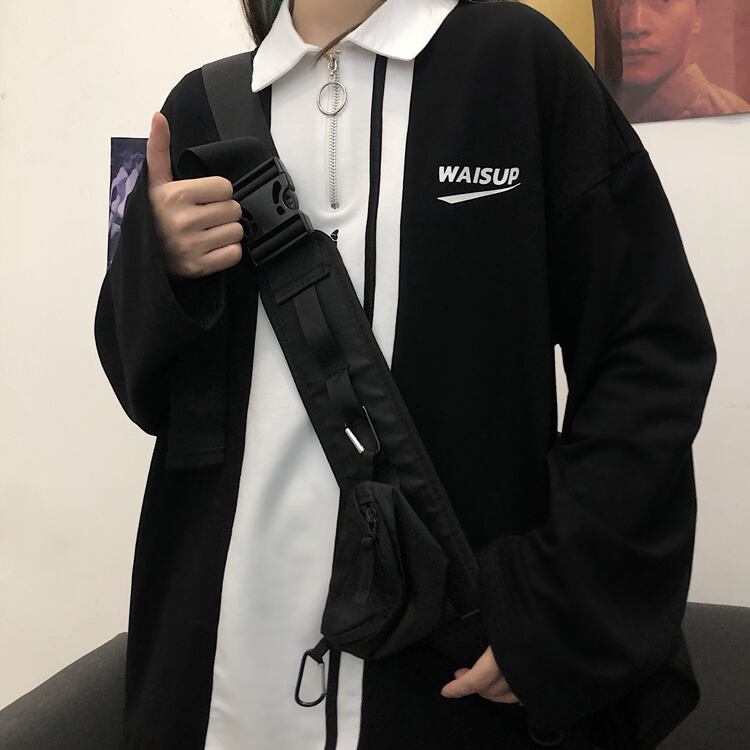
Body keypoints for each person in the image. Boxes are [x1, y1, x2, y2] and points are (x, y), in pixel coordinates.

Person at [94, 0, 717, 748]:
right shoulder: (199, 105)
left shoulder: (517, 64)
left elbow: (648, 347)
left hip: (449, 652)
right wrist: (157, 269)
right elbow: (144, 388)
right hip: (221, 649)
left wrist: (563, 600)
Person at [606, 0, 750, 122]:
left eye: (663, 1)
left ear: (697, 15)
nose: (636, 25)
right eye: (618, 2)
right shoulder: (600, 112)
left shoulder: (736, 121)